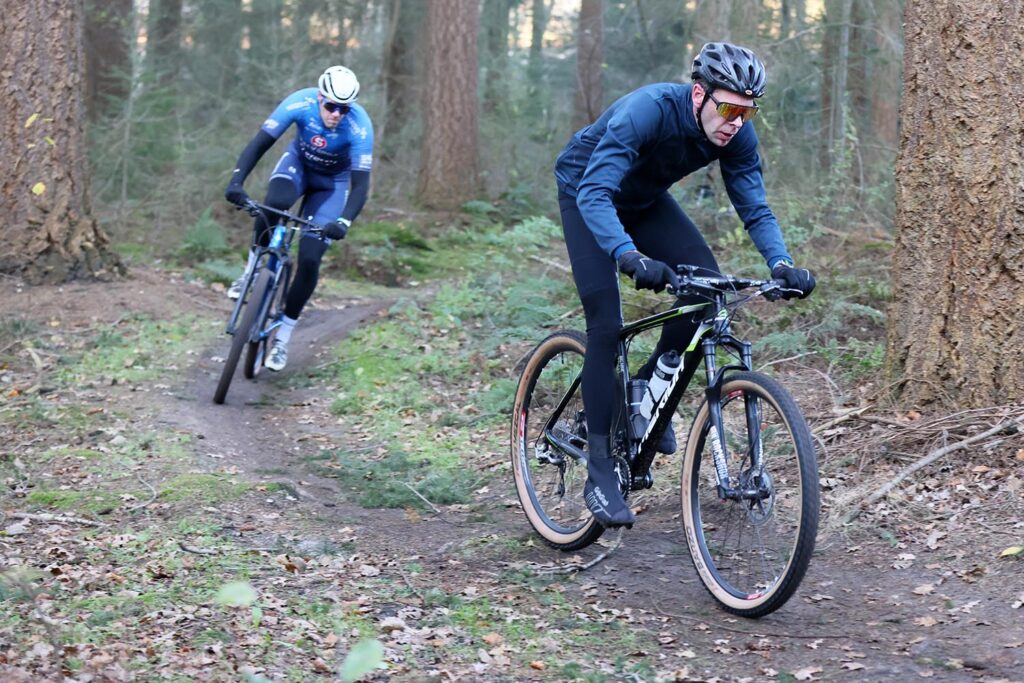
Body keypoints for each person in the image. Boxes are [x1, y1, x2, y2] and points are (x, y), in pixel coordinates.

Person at [553, 42, 816, 528]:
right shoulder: (647, 111)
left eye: (748, 110)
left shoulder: (737, 134)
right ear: (699, 94)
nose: (737, 120)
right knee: (606, 324)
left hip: (644, 200)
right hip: (585, 191)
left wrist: (781, 263)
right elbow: (595, 191)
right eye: (730, 107)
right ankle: (599, 472)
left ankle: (647, 388)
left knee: (705, 289)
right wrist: (628, 255)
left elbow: (754, 206)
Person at [224, 65, 374, 372]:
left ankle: (282, 340)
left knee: (309, 257)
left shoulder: (360, 127)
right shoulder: (299, 103)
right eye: (331, 106)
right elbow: (258, 145)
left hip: (331, 187)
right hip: (298, 167)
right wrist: (236, 182)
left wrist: (343, 222)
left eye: (344, 109)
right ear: (319, 97)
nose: (336, 114)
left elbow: (360, 187)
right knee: (274, 204)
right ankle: (250, 271)